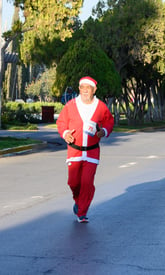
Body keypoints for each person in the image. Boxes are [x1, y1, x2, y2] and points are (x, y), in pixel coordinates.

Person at [57, 76, 114, 223]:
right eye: (82, 88)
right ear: (79, 89)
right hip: (74, 151)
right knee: (73, 183)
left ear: (94, 90)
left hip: (92, 152)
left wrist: (104, 131)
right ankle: (78, 201)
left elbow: (109, 121)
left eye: (88, 88)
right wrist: (65, 133)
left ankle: (82, 212)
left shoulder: (100, 106)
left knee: (87, 182)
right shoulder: (71, 105)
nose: (85, 91)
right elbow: (61, 122)